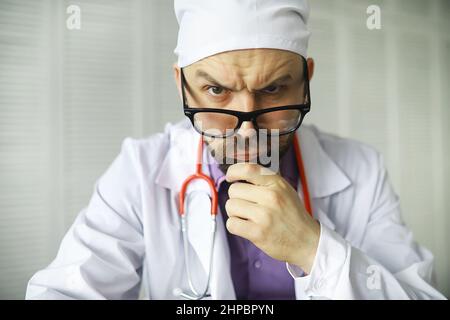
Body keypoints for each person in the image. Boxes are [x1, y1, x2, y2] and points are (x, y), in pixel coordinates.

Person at [26, 0, 445, 299]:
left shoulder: (364, 172)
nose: (247, 124)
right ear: (181, 85)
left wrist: (314, 249)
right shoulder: (140, 171)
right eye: (216, 90)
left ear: (306, 80)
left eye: (274, 88)